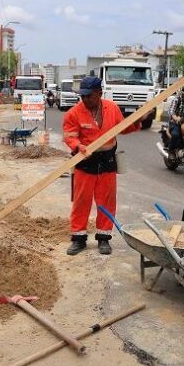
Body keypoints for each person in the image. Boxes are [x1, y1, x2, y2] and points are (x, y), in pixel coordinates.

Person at [63, 75, 143, 256]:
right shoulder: (74, 113)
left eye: (88, 96)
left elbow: (123, 127)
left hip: (107, 162)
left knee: (106, 201)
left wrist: (137, 121)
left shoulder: (112, 108)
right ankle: (78, 239)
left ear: (99, 93)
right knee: (81, 202)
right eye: (82, 96)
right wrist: (78, 146)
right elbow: (70, 135)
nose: (84, 99)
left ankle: (104, 238)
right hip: (84, 163)